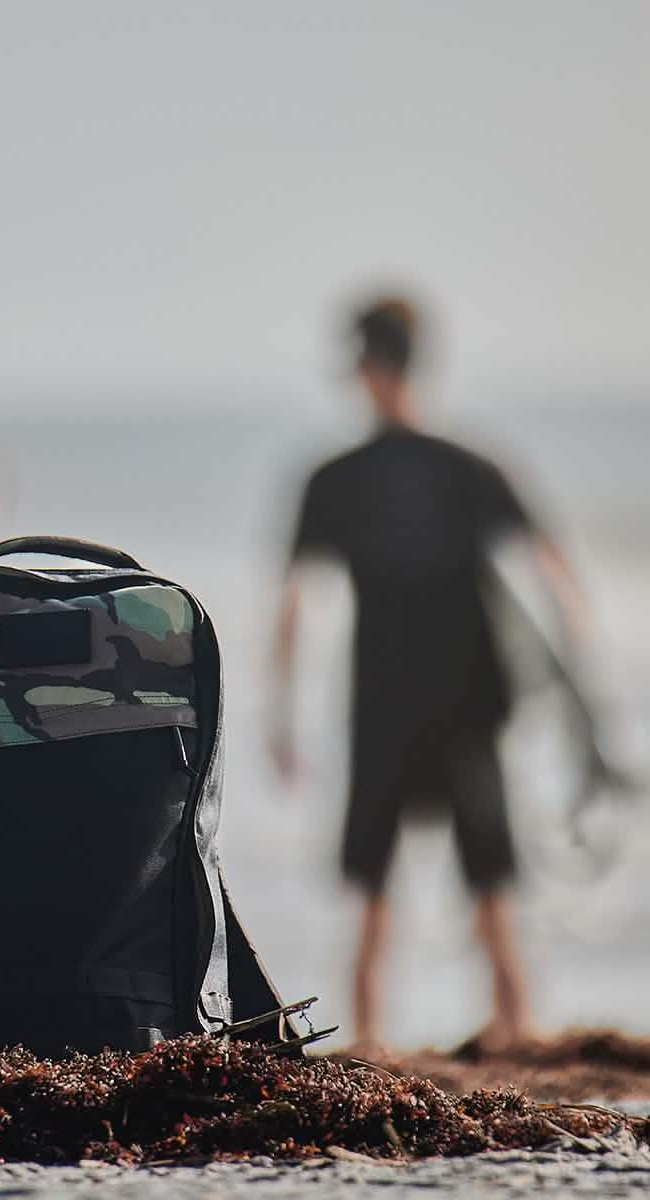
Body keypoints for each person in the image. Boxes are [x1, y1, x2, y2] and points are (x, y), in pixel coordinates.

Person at [270, 296, 584, 1055]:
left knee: (383, 877)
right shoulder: (469, 465)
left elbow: (292, 602)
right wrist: (583, 692)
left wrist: (280, 712)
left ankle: (372, 1035)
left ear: (367, 367)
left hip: (389, 703)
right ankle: (515, 1027)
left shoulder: (336, 477)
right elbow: (555, 569)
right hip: (466, 702)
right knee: (481, 874)